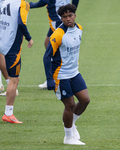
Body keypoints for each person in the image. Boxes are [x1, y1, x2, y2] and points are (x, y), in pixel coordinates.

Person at [43, 4, 90, 145]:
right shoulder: (58, 34)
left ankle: (71, 122)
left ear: (75, 15)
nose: (68, 19)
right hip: (61, 75)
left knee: (85, 100)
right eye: (64, 17)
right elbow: (47, 57)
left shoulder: (79, 29)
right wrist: (49, 79)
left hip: (74, 72)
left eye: (70, 15)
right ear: (61, 19)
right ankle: (68, 137)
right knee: (69, 105)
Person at [0, 0, 33, 123]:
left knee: (14, 79)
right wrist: (29, 38)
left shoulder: (6, 2)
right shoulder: (22, 4)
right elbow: (21, 23)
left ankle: (8, 112)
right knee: (14, 79)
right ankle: (8, 114)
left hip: (1, 41)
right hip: (12, 46)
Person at [29, 0, 80, 89]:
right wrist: (72, 9)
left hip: (57, 19)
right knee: (47, 42)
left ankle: (57, 77)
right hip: (62, 16)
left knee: (56, 50)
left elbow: (42, 2)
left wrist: (28, 5)